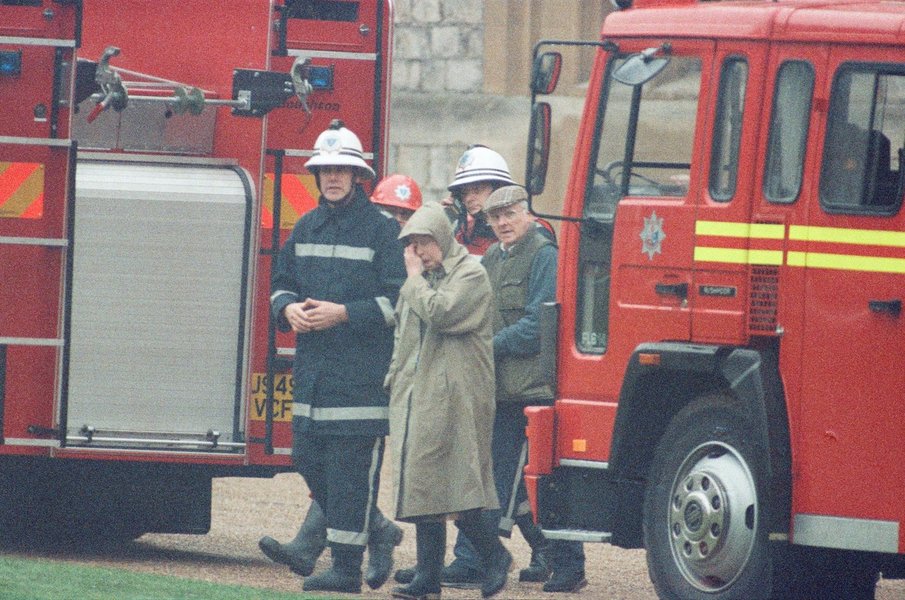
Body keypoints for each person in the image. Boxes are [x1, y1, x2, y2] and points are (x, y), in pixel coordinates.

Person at [264, 119, 406, 594]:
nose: (333, 176)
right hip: (312, 380)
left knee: (348, 477)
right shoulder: (305, 226)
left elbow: (399, 302)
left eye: (342, 168)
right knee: (307, 461)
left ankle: (346, 569)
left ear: (358, 174)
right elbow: (279, 283)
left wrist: (345, 313)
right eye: (325, 169)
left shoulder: (383, 231)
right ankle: (379, 530)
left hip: (360, 381)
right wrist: (287, 308)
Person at [385, 202, 512, 600]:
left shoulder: (471, 273)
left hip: (457, 397)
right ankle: (429, 578)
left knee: (457, 484)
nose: (419, 253)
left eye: (423, 243)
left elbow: (440, 313)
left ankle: (493, 555)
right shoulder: (423, 278)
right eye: (413, 246)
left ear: (441, 237)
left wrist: (412, 279)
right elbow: (404, 335)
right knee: (424, 485)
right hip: (417, 394)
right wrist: (393, 377)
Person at [479, 185, 587, 593]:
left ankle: (569, 565)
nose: (503, 223)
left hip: (534, 392)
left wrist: (485, 349)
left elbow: (538, 329)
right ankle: (546, 556)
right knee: (512, 482)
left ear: (527, 213)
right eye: (496, 217)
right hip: (500, 391)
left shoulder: (544, 255)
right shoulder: (491, 257)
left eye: (510, 214)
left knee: (541, 483)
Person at [444, 145, 518, 256]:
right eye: (464, 193)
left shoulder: (528, 230)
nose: (468, 199)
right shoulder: (463, 233)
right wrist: (443, 223)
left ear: (499, 188)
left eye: (477, 190)